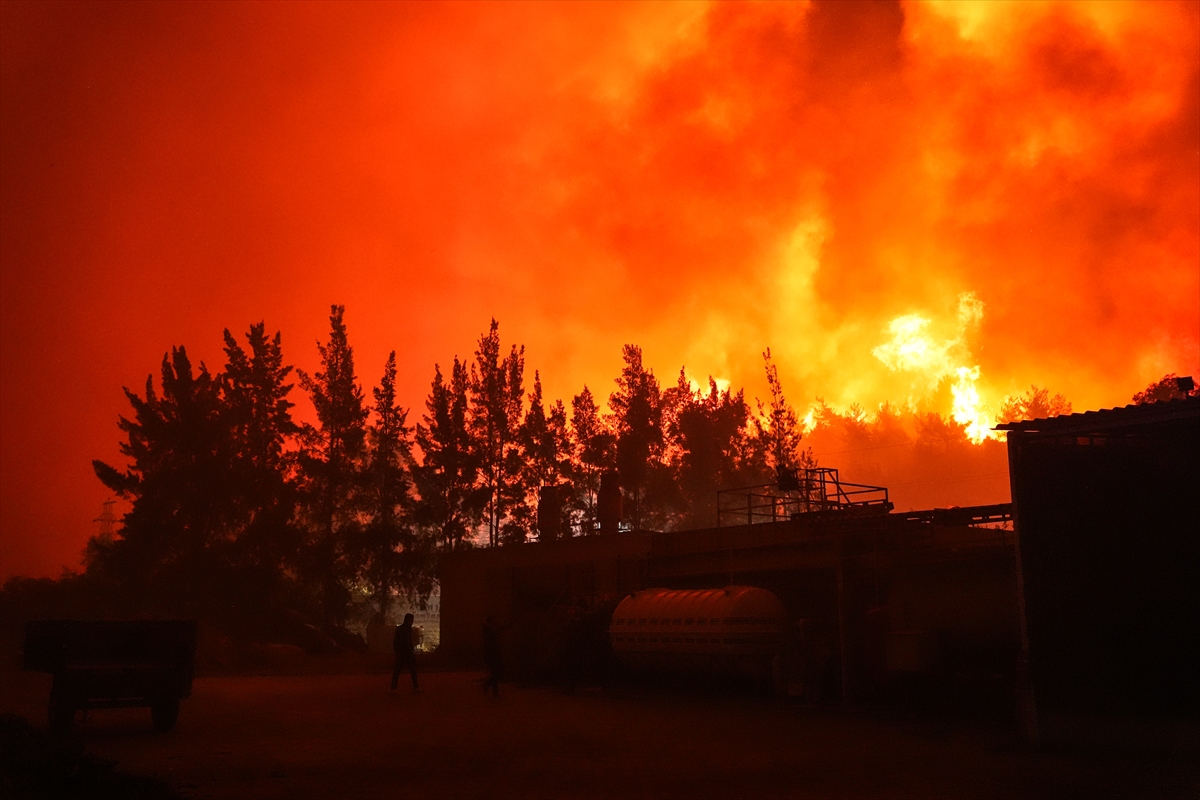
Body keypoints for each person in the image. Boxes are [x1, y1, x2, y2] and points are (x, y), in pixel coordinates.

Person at [391, 613, 420, 692]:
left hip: (407, 651)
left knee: (411, 669)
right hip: (402, 652)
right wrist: (397, 652)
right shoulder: (402, 629)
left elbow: (408, 640)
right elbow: (397, 641)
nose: (411, 622)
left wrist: (411, 648)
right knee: (398, 670)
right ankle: (394, 687)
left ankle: (415, 686)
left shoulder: (408, 629)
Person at [481, 616, 503, 697]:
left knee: (495, 673)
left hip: (491, 655)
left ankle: (493, 690)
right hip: (492, 655)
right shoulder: (490, 632)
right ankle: (488, 687)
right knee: (496, 673)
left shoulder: (489, 631)